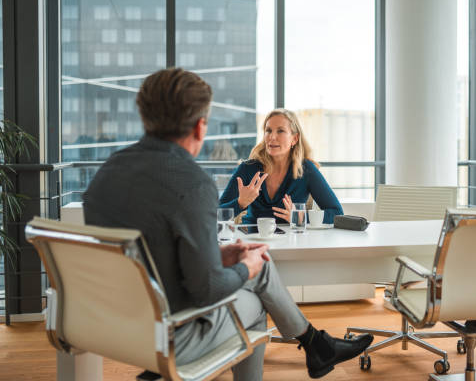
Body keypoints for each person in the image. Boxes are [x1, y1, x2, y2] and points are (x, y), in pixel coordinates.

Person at [82, 68, 372, 380]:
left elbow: (153, 254)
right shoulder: (193, 184)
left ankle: (318, 345)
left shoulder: (104, 175)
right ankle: (316, 345)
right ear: (199, 126)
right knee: (258, 295)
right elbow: (206, 289)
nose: (272, 138)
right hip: (172, 332)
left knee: (256, 267)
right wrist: (245, 267)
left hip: (112, 326)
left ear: (144, 114)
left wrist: (219, 257)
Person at [219, 109, 342, 225]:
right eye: (268, 130)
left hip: (291, 243)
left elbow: (337, 213)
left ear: (294, 138)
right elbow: (215, 214)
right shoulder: (248, 168)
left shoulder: (306, 169)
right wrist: (240, 203)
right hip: (252, 241)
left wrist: (300, 217)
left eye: (280, 131)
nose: (272, 137)